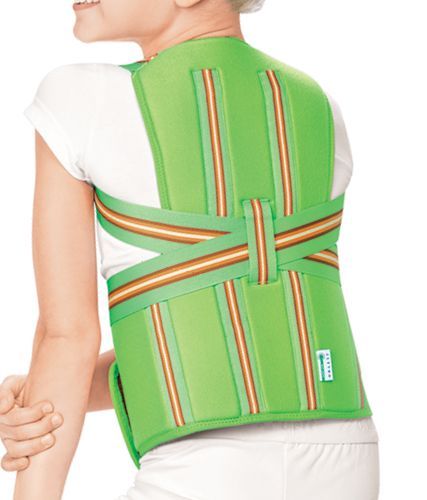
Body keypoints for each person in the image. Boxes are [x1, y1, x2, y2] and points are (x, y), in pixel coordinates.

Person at [0, 0, 380, 498]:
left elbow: (67, 336)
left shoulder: (78, 97)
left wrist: (42, 417)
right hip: (348, 454)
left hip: (205, 466)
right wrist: (41, 389)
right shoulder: (318, 105)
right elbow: (239, 325)